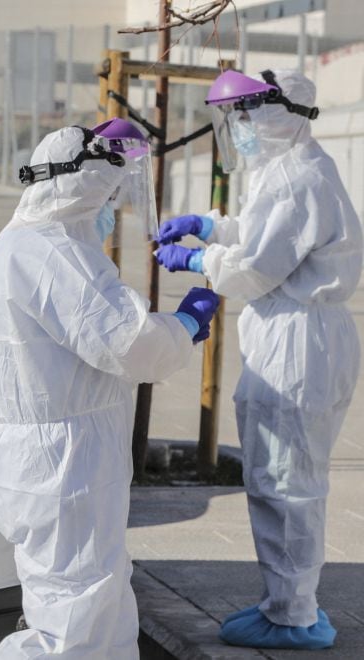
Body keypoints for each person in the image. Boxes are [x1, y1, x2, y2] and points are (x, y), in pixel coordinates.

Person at [0, 120, 219, 658]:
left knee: (95, 608)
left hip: (36, 460)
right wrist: (187, 324)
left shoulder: (5, 252)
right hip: (64, 464)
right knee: (71, 628)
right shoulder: (55, 255)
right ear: (85, 186)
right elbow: (130, 344)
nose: (113, 209)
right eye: (112, 192)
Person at [155, 69, 361, 650]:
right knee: (292, 477)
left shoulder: (295, 177)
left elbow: (254, 267)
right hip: (306, 333)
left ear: (275, 113)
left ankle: (292, 615)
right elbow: (262, 234)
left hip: (298, 340)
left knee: (284, 481)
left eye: (243, 115)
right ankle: (292, 601)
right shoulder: (294, 166)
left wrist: (199, 260)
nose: (237, 129)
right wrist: (208, 225)